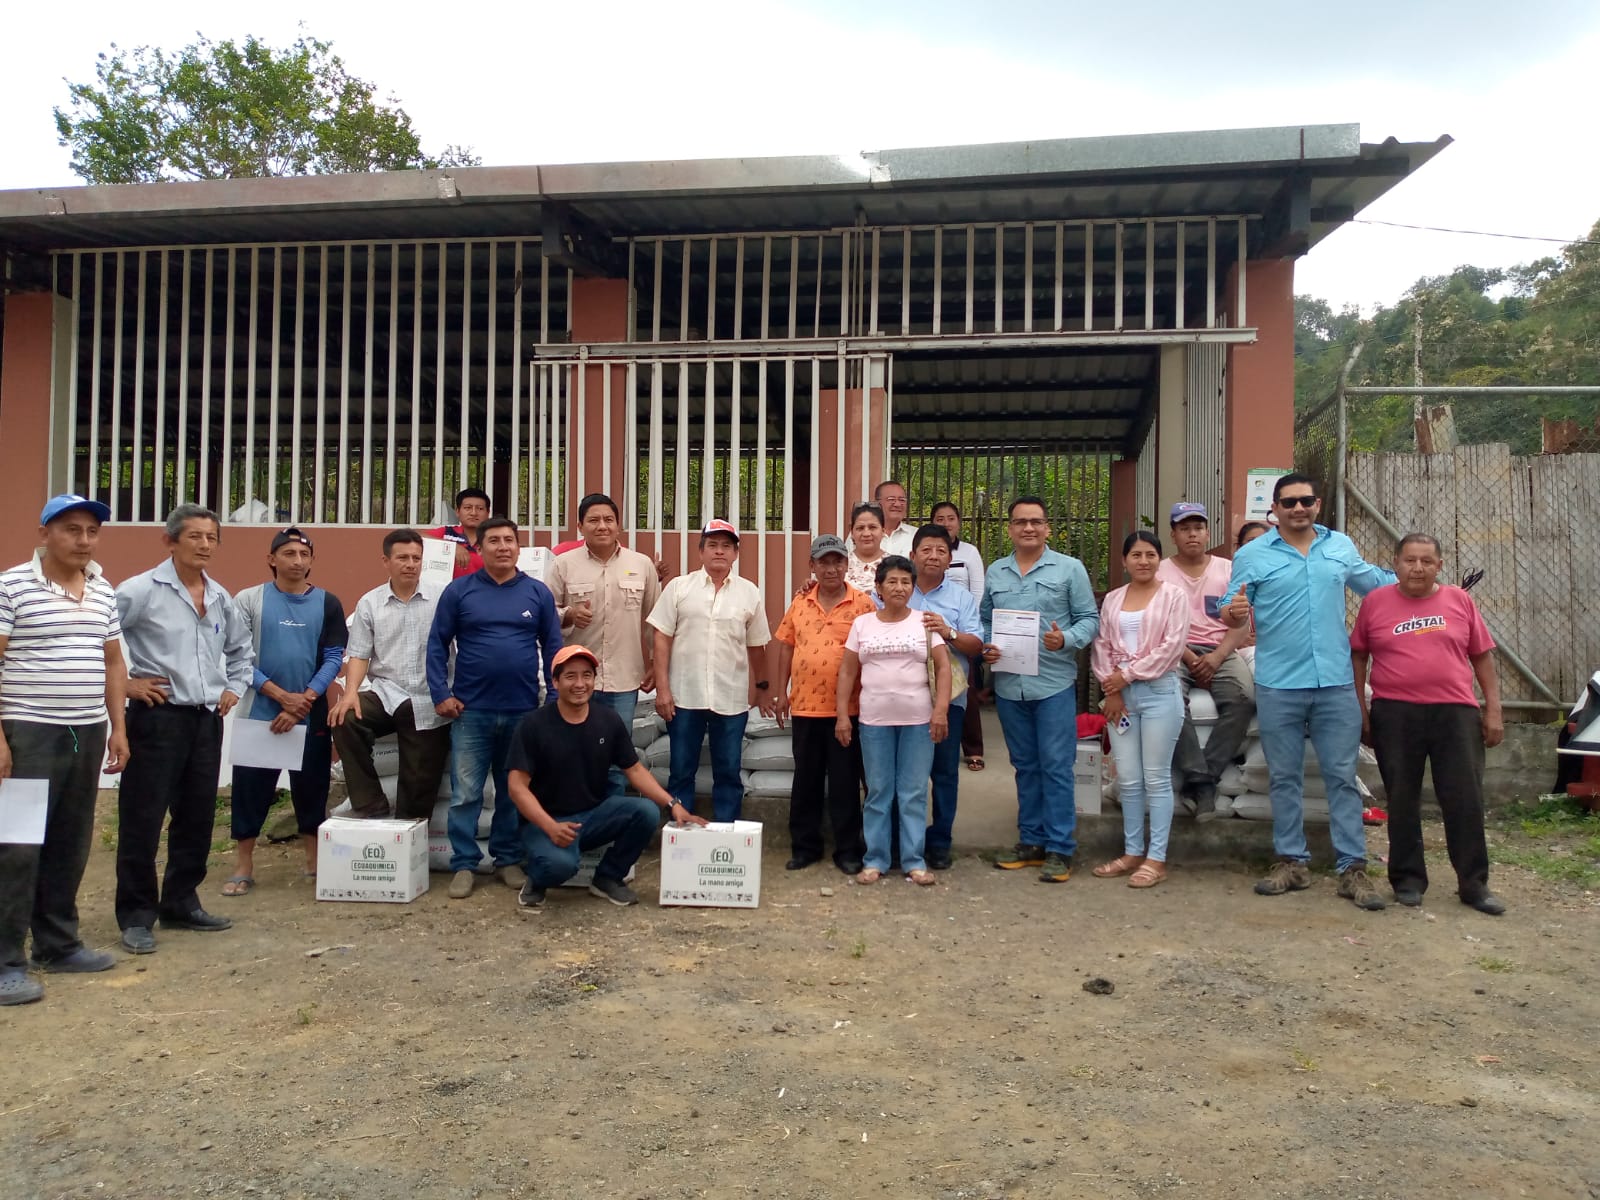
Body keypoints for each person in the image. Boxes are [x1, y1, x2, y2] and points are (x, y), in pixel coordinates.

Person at [1221, 473, 1395, 911]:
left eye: (1306, 500)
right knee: (1283, 777)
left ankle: (1352, 869)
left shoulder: (1340, 547)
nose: (1298, 508)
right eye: (1289, 502)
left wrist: (1420, 580)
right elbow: (1229, 607)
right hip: (1279, 683)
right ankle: (1292, 862)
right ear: (1274, 509)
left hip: (1335, 683)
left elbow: (1374, 584)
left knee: (1341, 777)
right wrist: (1233, 611)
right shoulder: (1252, 554)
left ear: (1318, 505)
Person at [0, 495, 130, 1005]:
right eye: (71, 529)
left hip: (86, 730)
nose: (83, 540)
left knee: (70, 840)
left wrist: (118, 728)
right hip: (29, 733)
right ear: (44, 533)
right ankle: (6, 960)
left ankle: (56, 944)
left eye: (91, 531)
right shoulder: (12, 586)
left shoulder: (102, 589)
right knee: (16, 847)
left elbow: (114, 663)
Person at [114, 504, 252, 953]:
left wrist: (234, 686)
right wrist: (126, 684)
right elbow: (99, 641)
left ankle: (181, 901)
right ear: (170, 541)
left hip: (204, 719)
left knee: (196, 815)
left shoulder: (220, 596)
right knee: (143, 816)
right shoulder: (139, 591)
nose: (205, 545)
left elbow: (241, 650)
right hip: (157, 718)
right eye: (195, 536)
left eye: (212, 538)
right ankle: (137, 915)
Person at [1351, 533, 1506, 915]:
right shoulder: (1375, 603)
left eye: (1426, 561)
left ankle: (1474, 884)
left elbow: (1482, 657)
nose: (1417, 568)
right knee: (1402, 798)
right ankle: (1407, 881)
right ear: (1396, 564)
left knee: (1464, 798)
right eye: (1409, 560)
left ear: (1439, 566)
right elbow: (1358, 658)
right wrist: (1361, 711)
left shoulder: (1459, 601)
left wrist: (1493, 710)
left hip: (1455, 713)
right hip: (1395, 713)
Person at [508, 645, 708, 909]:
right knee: (559, 867)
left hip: (592, 817)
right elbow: (517, 787)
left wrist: (673, 804)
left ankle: (607, 877)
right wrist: (549, 826)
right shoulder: (534, 725)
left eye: (586, 675)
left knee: (646, 812)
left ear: (594, 679)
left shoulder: (607, 721)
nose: (580, 684)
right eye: (570, 676)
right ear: (555, 682)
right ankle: (537, 878)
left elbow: (634, 770)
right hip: (546, 822)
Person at [427, 515, 562, 900]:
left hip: (523, 711)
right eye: (494, 541)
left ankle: (507, 859)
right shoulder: (460, 591)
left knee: (512, 790)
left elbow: (554, 647)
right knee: (466, 793)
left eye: (509, 540)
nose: (503, 547)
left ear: (518, 547)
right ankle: (464, 863)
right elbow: (437, 644)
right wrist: (440, 693)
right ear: (480, 548)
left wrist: (553, 699)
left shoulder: (536, 592)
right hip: (471, 710)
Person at [980, 497, 1100, 883]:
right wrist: (987, 645)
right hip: (1010, 687)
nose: (1028, 528)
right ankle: (1031, 842)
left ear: (1047, 528)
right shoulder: (996, 571)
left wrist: (1066, 639)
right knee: (1025, 766)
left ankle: (1060, 848)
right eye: (1020, 522)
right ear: (1010, 528)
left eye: (1035, 521)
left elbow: (1089, 619)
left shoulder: (1069, 568)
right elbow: (985, 620)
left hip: (1052, 685)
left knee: (1056, 766)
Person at [224, 529, 347, 893]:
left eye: (303, 554)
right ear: (271, 559)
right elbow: (239, 657)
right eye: (289, 553)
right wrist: (280, 696)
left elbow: (333, 657)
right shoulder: (249, 600)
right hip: (259, 711)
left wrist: (302, 701)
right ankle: (243, 865)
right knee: (250, 789)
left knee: (312, 788)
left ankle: (314, 862)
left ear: (311, 561)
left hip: (310, 712)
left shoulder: (328, 603)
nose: (297, 561)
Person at [836, 556, 950, 886]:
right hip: (874, 722)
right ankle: (875, 859)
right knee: (878, 791)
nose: (899, 587)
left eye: (905, 582)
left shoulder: (925, 622)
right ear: (879, 588)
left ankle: (914, 860)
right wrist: (842, 715)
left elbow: (943, 667)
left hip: (918, 721)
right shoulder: (863, 624)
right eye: (892, 581)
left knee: (913, 792)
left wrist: (940, 710)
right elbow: (847, 671)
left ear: (912, 588)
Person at [648, 519, 770, 822]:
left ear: (736, 554)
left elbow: (757, 646)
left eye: (726, 546)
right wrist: (662, 688)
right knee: (681, 769)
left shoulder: (749, 592)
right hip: (684, 696)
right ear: (701, 551)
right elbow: (661, 637)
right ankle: (681, 832)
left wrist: (763, 688)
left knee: (728, 771)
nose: (719, 551)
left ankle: (726, 833)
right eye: (713, 545)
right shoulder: (679, 588)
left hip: (731, 697)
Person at [545, 493, 662, 803]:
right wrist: (568, 614)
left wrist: (654, 664)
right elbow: (544, 613)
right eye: (594, 520)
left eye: (609, 520)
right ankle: (573, 815)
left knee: (615, 756)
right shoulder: (562, 565)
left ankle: (611, 819)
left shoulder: (641, 565)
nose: (602, 526)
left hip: (623, 680)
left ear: (618, 526)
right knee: (569, 751)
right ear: (580, 526)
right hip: (576, 680)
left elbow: (654, 621)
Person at [329, 529, 453, 821]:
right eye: (402, 558)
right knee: (345, 717)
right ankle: (370, 804)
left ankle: (406, 834)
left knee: (418, 786)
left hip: (430, 698)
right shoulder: (370, 603)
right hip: (387, 695)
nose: (410, 564)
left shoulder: (443, 597)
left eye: (416, 558)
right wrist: (350, 694)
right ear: (386, 561)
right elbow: (359, 653)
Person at [770, 535, 875, 875]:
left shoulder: (863, 604)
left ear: (847, 564)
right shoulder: (800, 602)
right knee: (806, 780)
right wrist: (781, 691)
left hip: (848, 711)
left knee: (845, 782)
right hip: (804, 707)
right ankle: (805, 848)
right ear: (812, 566)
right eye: (824, 562)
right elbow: (787, 645)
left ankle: (848, 850)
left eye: (837, 561)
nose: (831, 569)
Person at [1091, 531, 1190, 888]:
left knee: (1156, 777)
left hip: (1159, 692)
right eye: (1136, 555)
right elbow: (1102, 645)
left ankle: (1156, 859)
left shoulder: (1174, 596)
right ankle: (1132, 852)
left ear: (1159, 559)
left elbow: (1172, 646)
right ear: (1124, 561)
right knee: (1129, 779)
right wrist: (1113, 688)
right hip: (1120, 697)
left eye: (1150, 554)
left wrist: (1126, 675)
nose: (1143, 561)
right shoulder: (1114, 599)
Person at [1156, 502, 1255, 821]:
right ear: (1173, 535)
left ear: (1208, 533)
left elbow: (1241, 623)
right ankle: (1200, 780)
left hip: (1221, 648)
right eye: (1184, 529)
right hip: (1175, 650)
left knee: (1243, 698)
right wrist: (1188, 656)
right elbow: (1157, 626)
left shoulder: (1228, 570)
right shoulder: (1160, 573)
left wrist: (1217, 657)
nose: (1192, 534)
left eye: (1198, 528)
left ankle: (1203, 778)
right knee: (1168, 700)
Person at [908, 524, 984, 870]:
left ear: (950, 558)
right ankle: (904, 840)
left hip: (948, 699)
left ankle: (940, 841)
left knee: (944, 773)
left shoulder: (961, 598)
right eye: (926, 549)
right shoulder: (896, 589)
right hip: (903, 698)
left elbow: (976, 645)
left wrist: (948, 631)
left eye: (941, 550)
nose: (933, 556)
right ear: (913, 555)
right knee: (906, 776)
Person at [931, 501, 988, 772]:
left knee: (966, 691)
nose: (946, 523)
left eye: (951, 518)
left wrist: (964, 626)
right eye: (940, 518)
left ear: (959, 522)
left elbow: (977, 589)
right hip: (930, 636)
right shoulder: (927, 550)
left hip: (961, 628)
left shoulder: (969, 551)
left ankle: (973, 748)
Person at [427, 487, 491, 578]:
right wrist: (451, 547)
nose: (473, 513)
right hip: (450, 587)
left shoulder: (494, 538)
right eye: (468, 508)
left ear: (488, 513)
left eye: (480, 509)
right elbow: (414, 536)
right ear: (457, 512)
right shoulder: (446, 533)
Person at [844, 502, 888, 595]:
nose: (866, 534)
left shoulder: (894, 565)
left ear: (883, 531)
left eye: (872, 527)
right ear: (852, 532)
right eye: (860, 528)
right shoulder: (841, 564)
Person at [873, 480, 915, 557]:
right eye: (891, 499)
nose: (897, 504)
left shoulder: (915, 535)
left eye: (902, 500)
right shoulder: (862, 534)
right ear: (877, 503)